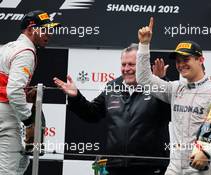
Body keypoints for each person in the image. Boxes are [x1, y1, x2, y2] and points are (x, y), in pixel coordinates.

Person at [136, 17, 211, 175]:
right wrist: (143, 44)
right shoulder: (175, 88)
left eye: (186, 59)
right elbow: (143, 79)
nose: (181, 64)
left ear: (201, 59)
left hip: (201, 167)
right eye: (178, 61)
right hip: (174, 168)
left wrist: (207, 152)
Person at [53, 43, 171, 175]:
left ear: (143, 65)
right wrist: (76, 97)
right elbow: (92, 113)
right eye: (123, 64)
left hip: (149, 166)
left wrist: (161, 82)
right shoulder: (113, 86)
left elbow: (170, 113)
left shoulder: (157, 86)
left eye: (131, 64)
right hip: (116, 166)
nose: (126, 69)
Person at [0, 10, 60, 174]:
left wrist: (24, 93)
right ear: (31, 29)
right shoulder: (26, 52)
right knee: (9, 170)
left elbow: (6, 84)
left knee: (21, 162)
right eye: (45, 29)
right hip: (5, 115)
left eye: (51, 29)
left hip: (4, 110)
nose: (49, 34)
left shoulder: (8, 47)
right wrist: (29, 120)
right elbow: (12, 91)